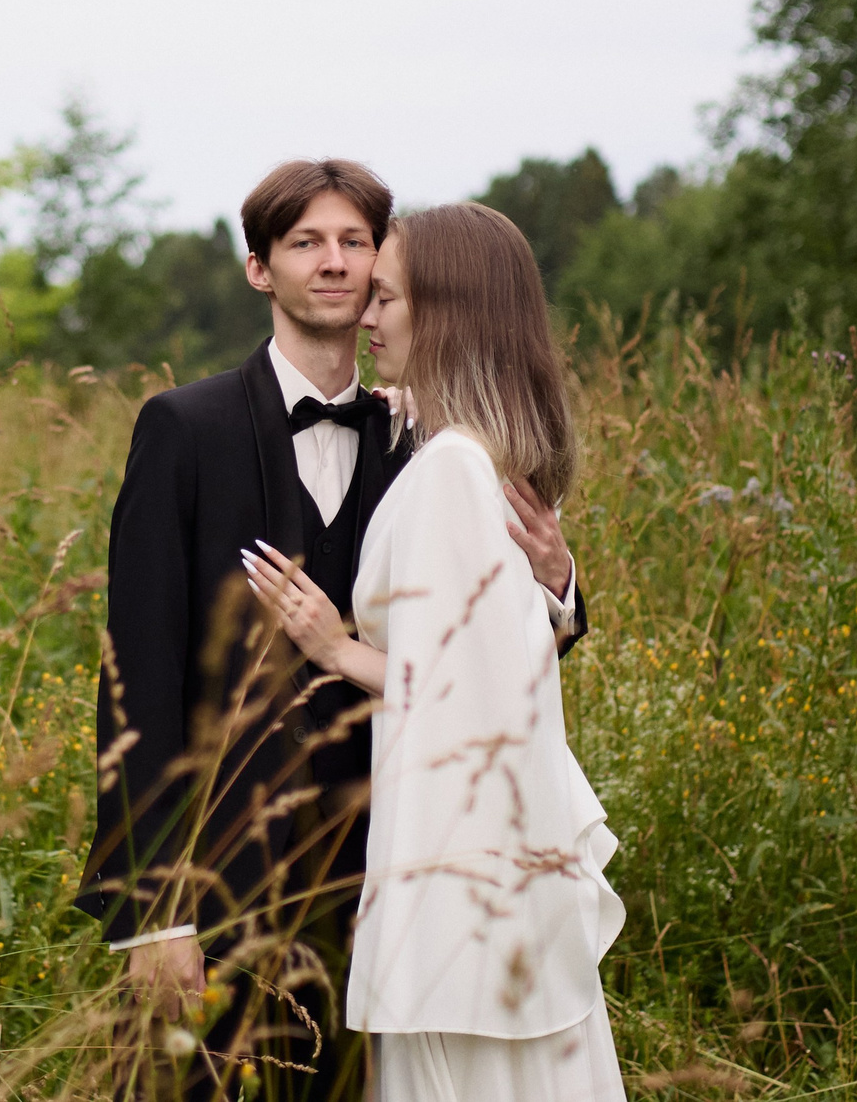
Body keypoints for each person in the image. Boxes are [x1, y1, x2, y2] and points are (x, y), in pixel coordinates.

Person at [75, 162, 587, 1100]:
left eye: (356, 243)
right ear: (259, 269)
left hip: (390, 878)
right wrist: (151, 913)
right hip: (226, 884)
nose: (335, 263)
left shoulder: (427, 440)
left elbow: (481, 655)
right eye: (306, 242)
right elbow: (135, 683)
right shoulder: (182, 430)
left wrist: (557, 585)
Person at [245, 201, 624, 1102]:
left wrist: (336, 650)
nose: (365, 318)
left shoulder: (454, 467)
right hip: (481, 854)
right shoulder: (471, 451)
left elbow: (471, 694)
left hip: (451, 864)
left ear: (445, 313)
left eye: (387, 297)